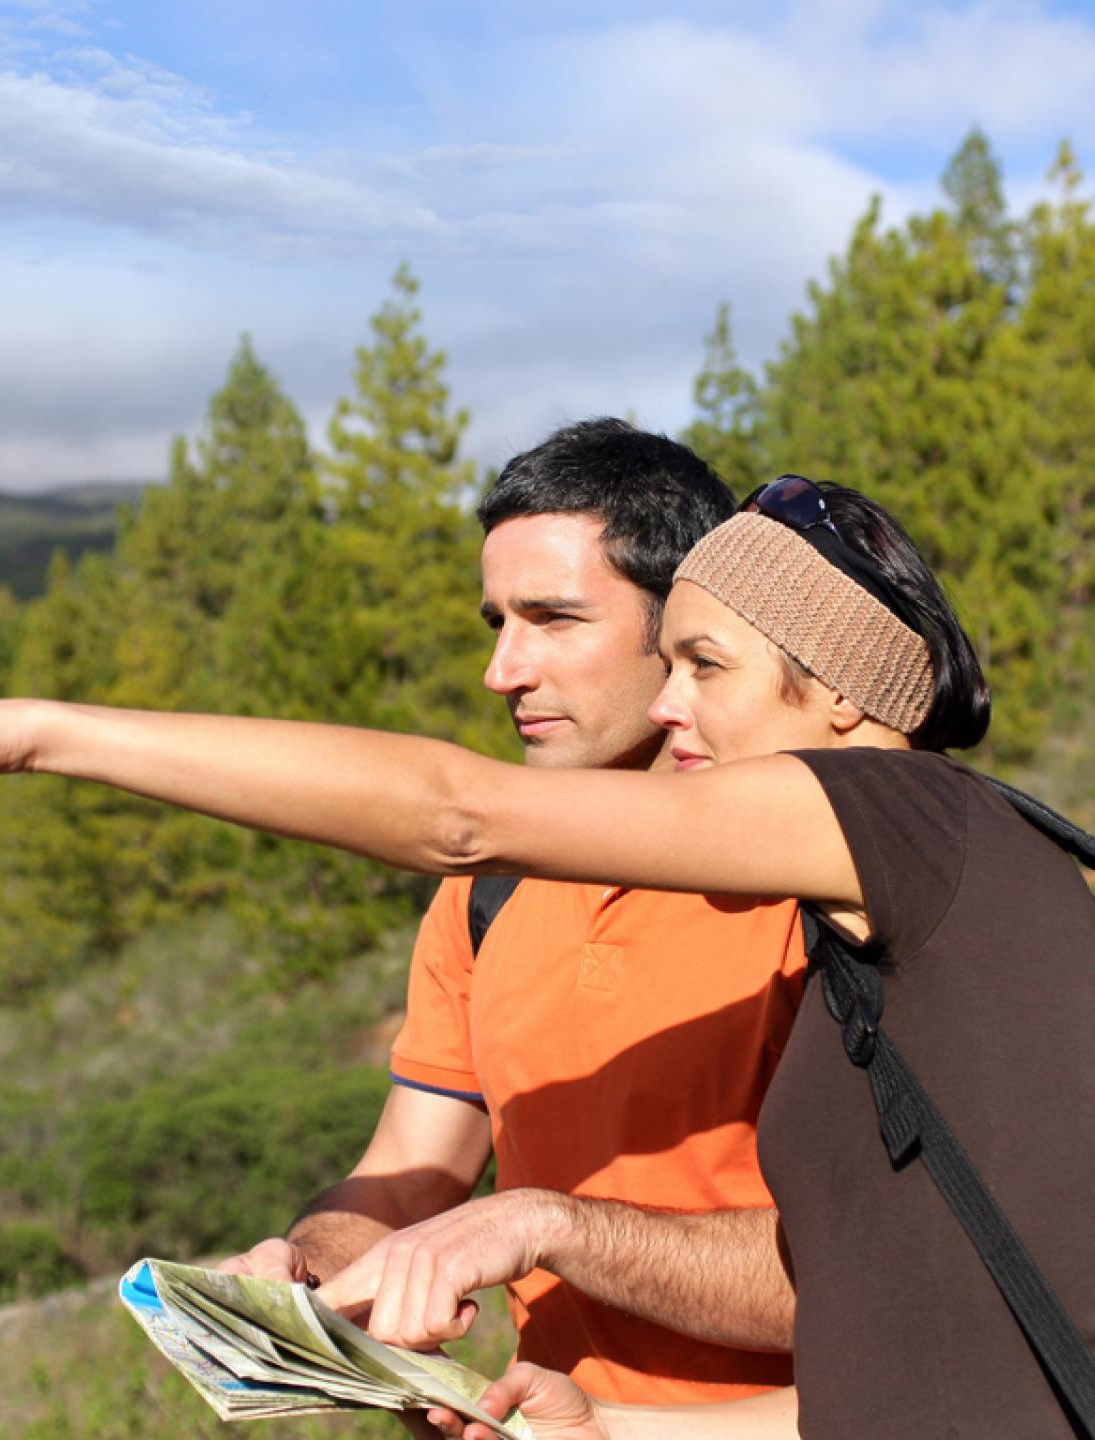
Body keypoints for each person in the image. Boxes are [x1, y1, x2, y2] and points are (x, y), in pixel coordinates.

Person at [0, 474, 1095, 1439]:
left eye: (707, 666)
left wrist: (26, 734)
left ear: (832, 692)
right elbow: (915, 1354)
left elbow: (453, 811)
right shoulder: (886, 946)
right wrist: (614, 1426)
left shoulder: (906, 818)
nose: (675, 707)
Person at [216, 419, 808, 1409]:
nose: (504, 671)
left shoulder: (819, 883)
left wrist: (551, 1225)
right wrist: (308, 1274)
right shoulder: (490, 891)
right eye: (497, 622)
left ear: (688, 627)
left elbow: (893, 1274)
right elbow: (412, 1168)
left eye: (554, 619)